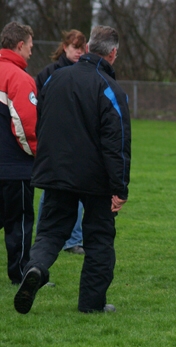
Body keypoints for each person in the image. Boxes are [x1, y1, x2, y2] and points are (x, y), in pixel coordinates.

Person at [14, 25, 131, 314]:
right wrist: (120, 187)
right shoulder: (111, 90)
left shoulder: (54, 79)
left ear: (89, 48)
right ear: (113, 53)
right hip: (96, 179)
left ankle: (37, 268)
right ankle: (91, 305)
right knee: (99, 239)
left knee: (51, 232)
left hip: (55, 171)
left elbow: (40, 122)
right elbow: (116, 143)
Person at [36, 29, 87, 255]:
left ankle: (72, 240)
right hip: (54, 140)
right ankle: (44, 236)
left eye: (82, 48)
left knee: (76, 189)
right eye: (75, 47)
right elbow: (37, 105)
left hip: (77, 141)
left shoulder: (84, 73)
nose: (79, 52)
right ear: (65, 47)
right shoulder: (49, 73)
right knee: (52, 190)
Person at [0, 22, 37, 285]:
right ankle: (21, 273)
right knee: (19, 222)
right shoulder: (19, 78)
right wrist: (37, 154)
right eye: (31, 47)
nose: (32, 53)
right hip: (15, 166)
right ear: (20, 45)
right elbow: (26, 125)